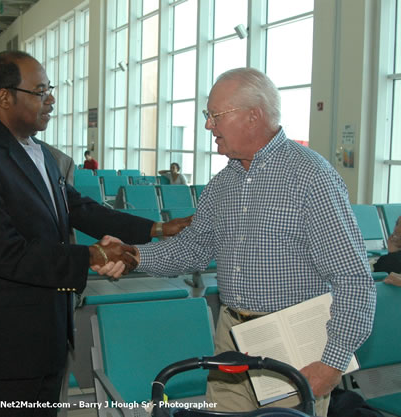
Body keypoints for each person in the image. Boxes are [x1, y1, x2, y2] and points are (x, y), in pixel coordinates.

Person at [98, 68, 376, 417]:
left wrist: (331, 364)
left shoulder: (311, 178)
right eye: (207, 116)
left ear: (253, 116)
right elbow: (192, 248)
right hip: (231, 335)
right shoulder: (224, 183)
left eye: (215, 116)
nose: (207, 127)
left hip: (290, 340)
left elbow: (354, 278)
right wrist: (134, 255)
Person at [0, 51, 190, 417]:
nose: (51, 99)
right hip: (6, 344)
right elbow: (5, 254)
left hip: (47, 334)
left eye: (50, 89)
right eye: (40, 90)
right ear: (4, 97)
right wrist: (92, 257)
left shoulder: (40, 153)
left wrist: (155, 228)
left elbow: (80, 209)